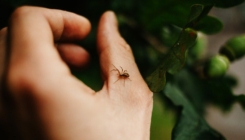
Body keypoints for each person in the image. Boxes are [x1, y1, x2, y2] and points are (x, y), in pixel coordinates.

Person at [0, 6, 153, 140]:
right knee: (117, 71)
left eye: (123, 76)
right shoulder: (121, 75)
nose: (122, 76)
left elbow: (123, 76)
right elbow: (121, 73)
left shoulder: (123, 77)